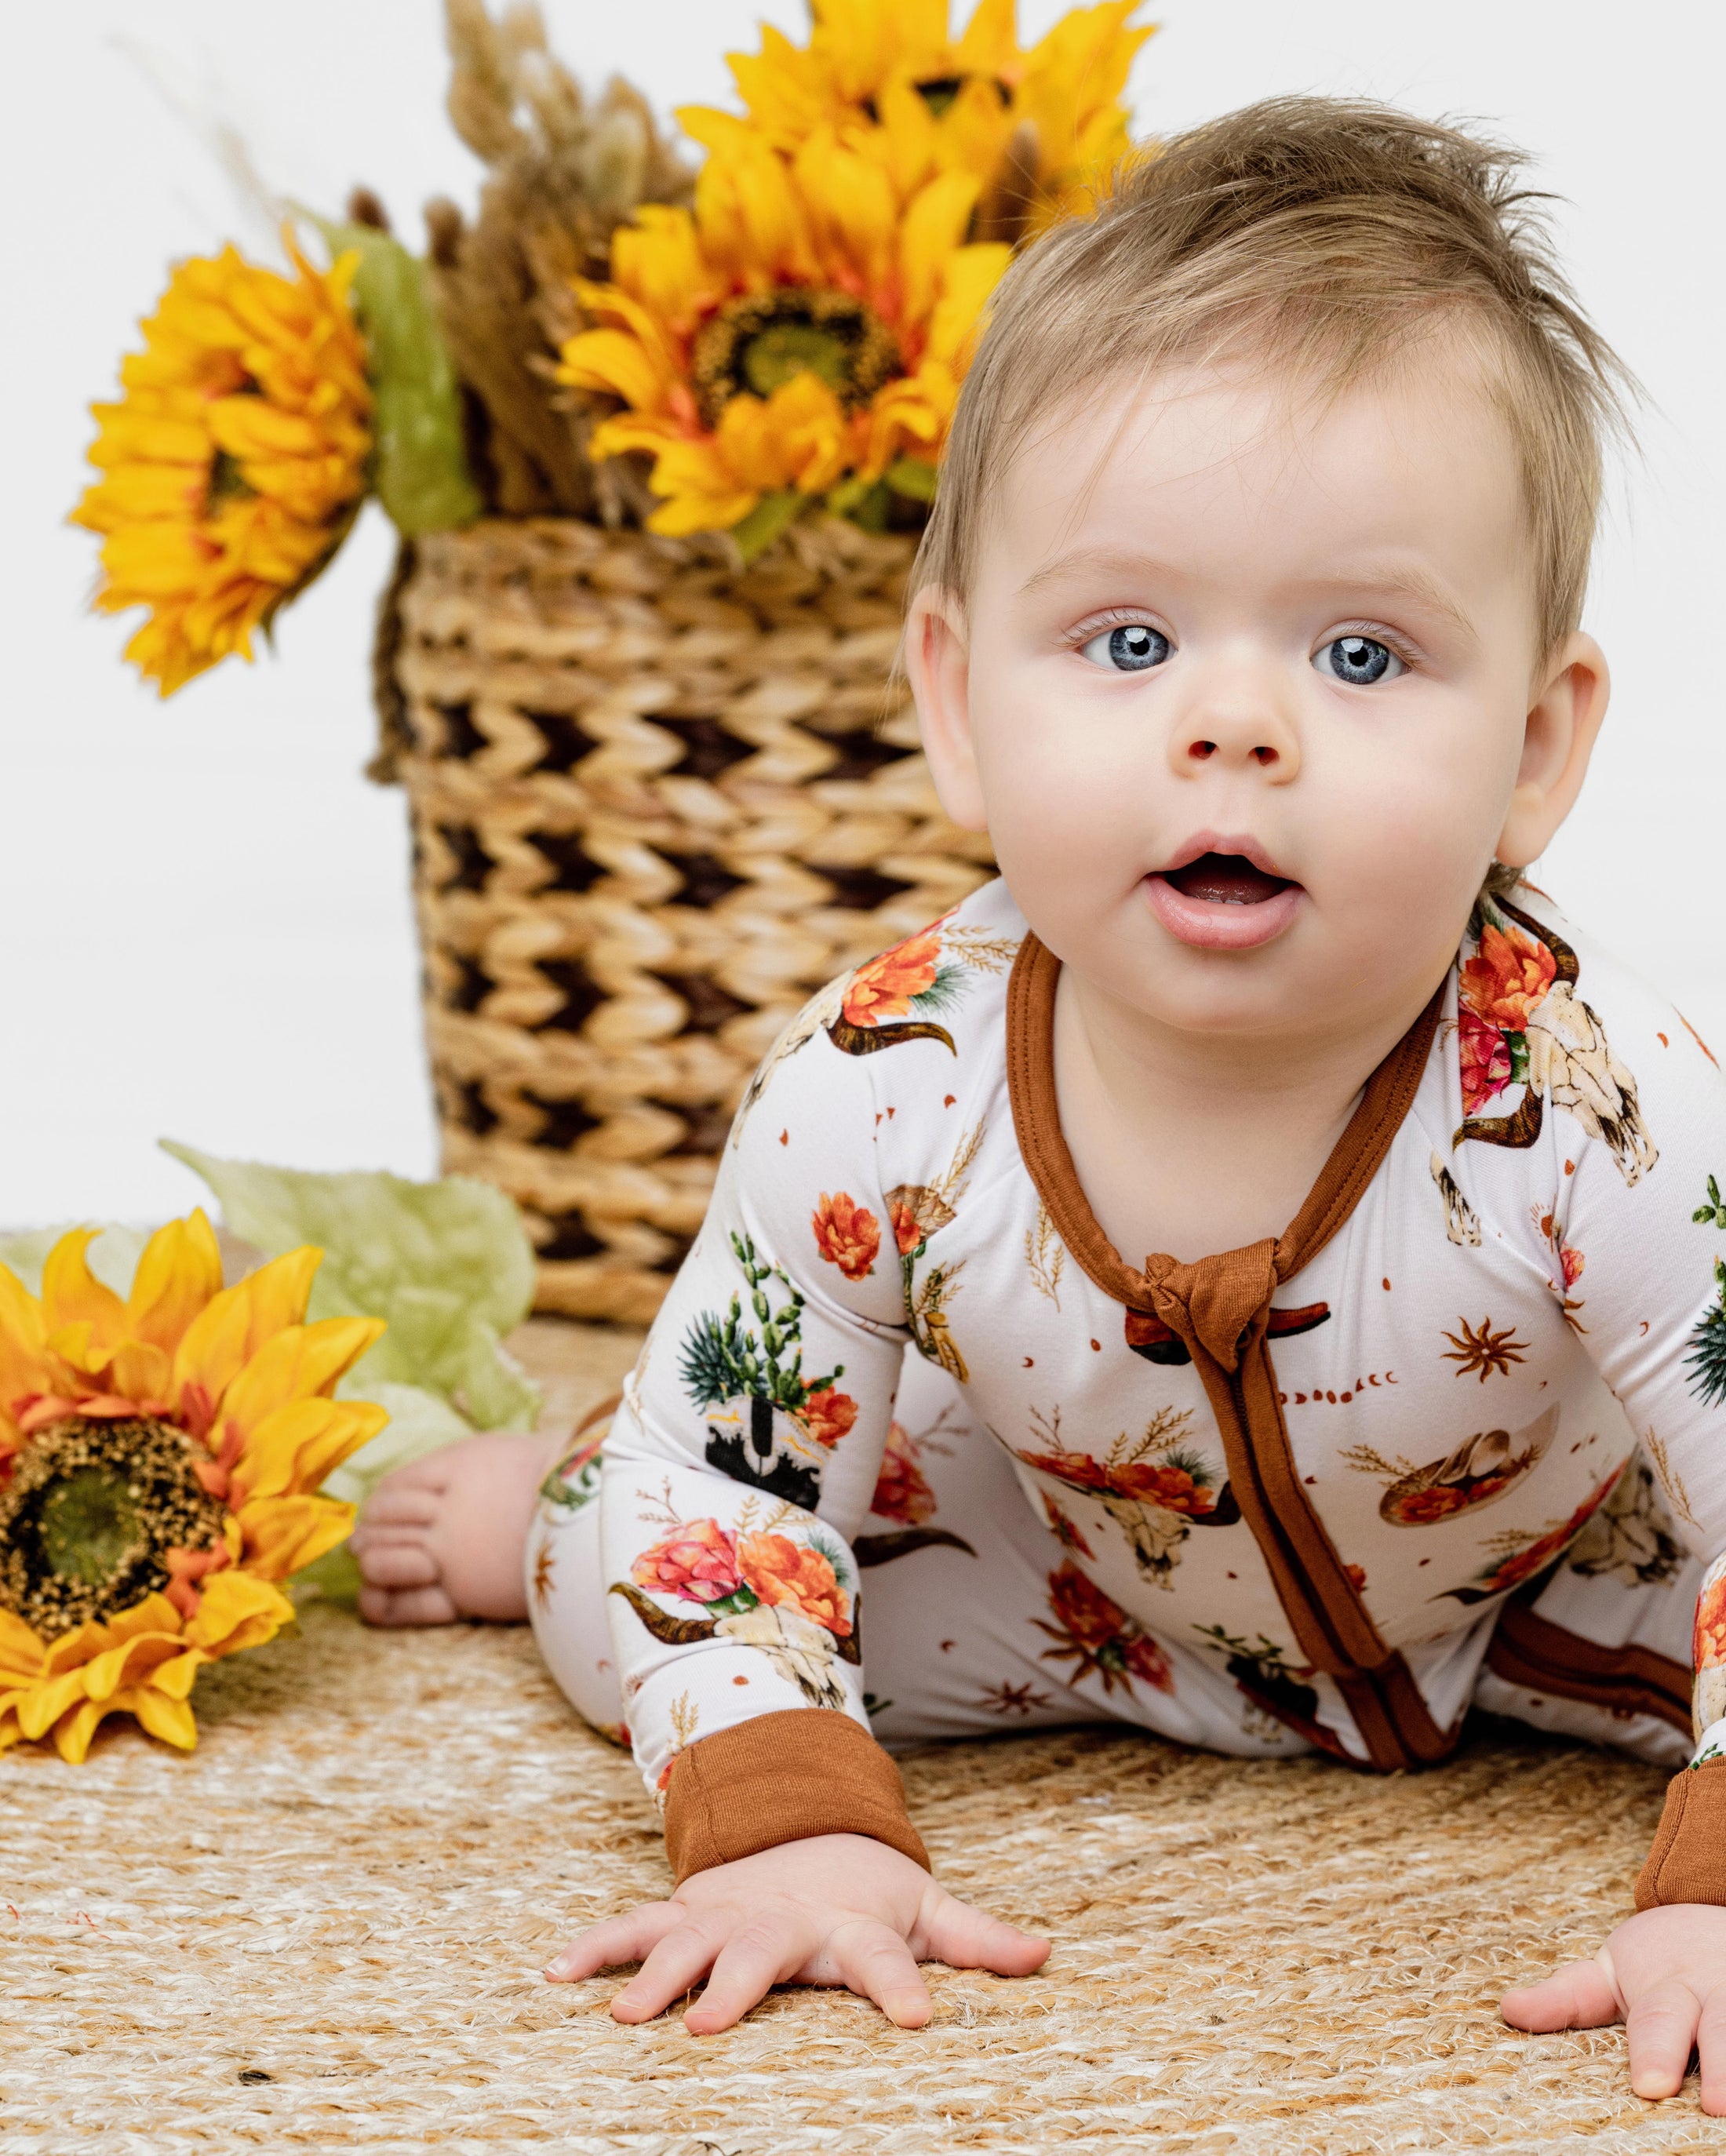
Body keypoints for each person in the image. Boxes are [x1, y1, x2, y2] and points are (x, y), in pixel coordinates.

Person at [348, 97, 1726, 2107]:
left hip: (1544, 1598)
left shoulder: (1592, 1113)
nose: (1231, 722)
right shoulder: (879, 1089)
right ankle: (540, 1506)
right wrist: (788, 1810)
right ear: (954, 702)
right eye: (1127, 638)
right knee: (645, 1548)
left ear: (1529, 751)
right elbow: (737, 1507)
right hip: (1065, 1595)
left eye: (1358, 651)